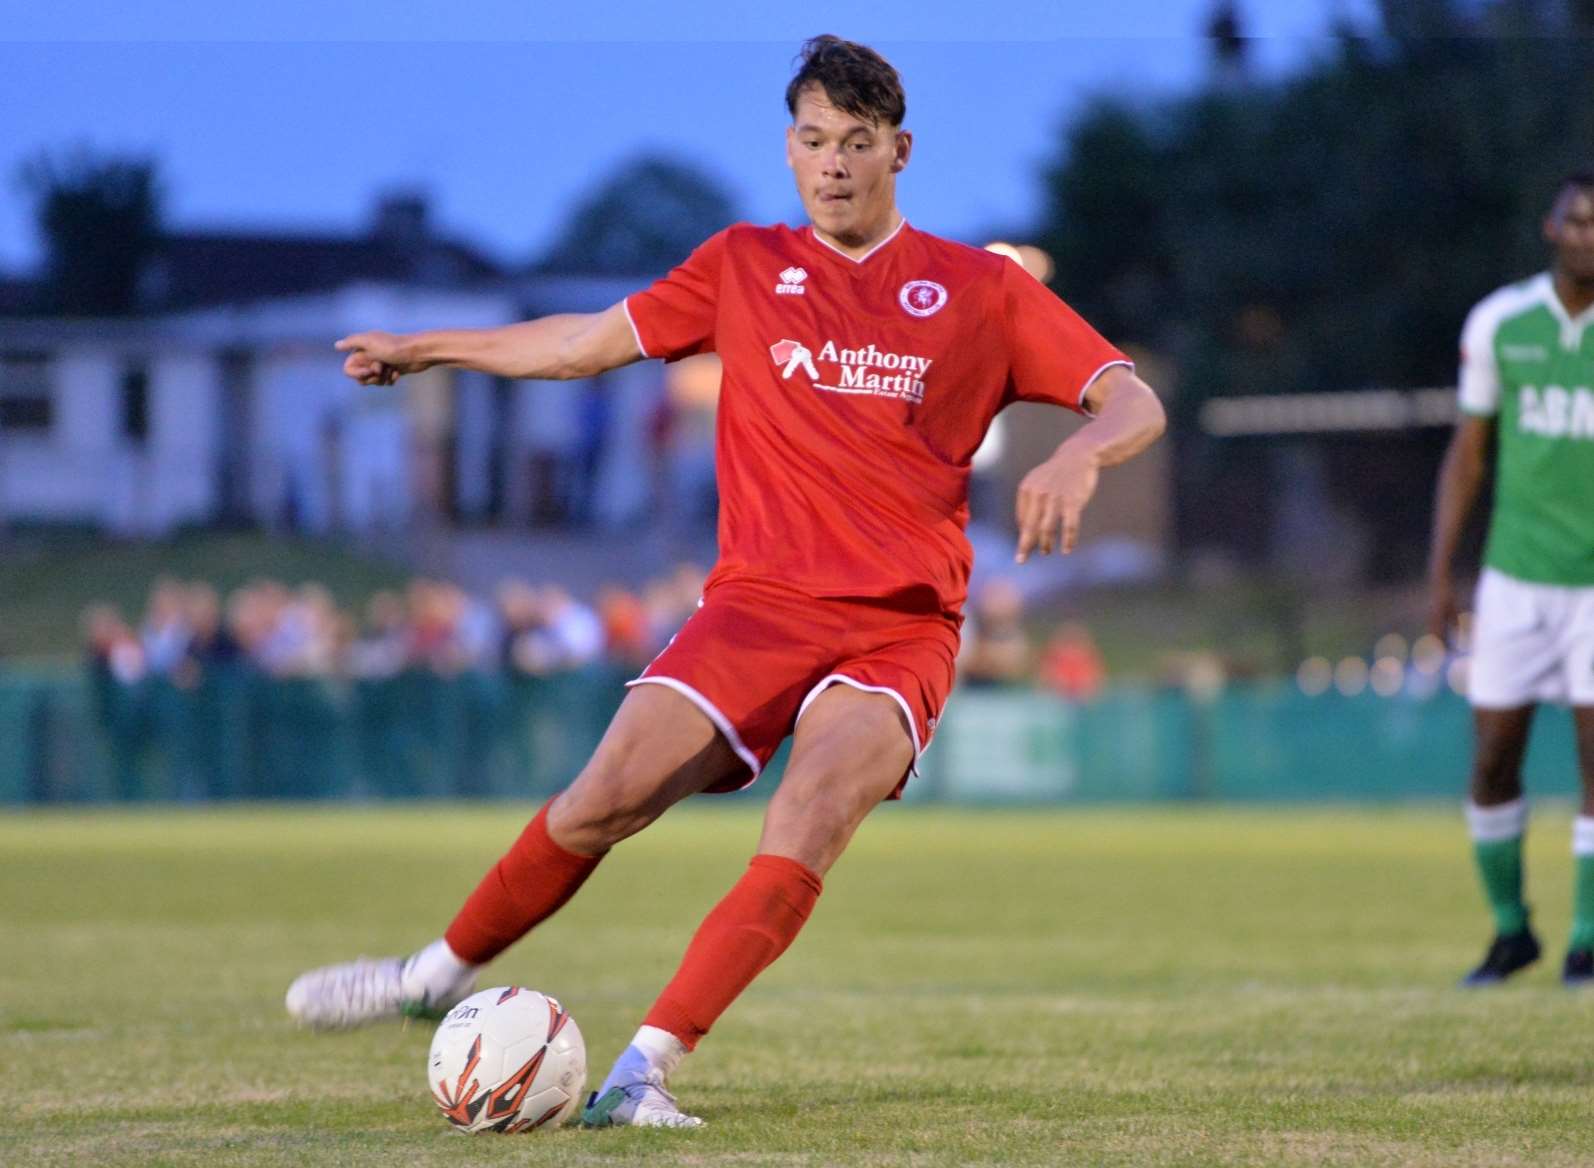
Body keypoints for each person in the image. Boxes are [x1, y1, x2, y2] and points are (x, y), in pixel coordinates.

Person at [285, 35, 1165, 1126]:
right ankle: (430, 977)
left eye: (855, 142)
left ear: (901, 151)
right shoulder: (746, 266)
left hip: (899, 628)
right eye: (811, 141)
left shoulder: (979, 289)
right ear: (788, 153)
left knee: (808, 816)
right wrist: (429, 347)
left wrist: (1080, 451)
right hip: (755, 607)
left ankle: (640, 1071)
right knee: (602, 799)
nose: (832, 163)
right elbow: (579, 345)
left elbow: (1132, 399)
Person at [1426, 172, 1594, 987]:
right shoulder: (1502, 321)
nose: (1587, 236)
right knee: (1494, 756)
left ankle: (1588, 940)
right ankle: (1510, 930)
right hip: (1515, 576)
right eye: (1577, 221)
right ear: (1550, 226)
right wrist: (1440, 575)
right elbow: (1469, 456)